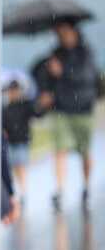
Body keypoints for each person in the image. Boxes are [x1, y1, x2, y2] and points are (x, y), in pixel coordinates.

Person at [32, 20, 99, 212]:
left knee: (84, 151)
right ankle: (60, 190)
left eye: (65, 32)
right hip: (61, 109)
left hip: (83, 109)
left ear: (74, 32)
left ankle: (86, 187)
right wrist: (46, 88)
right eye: (59, 33)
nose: (62, 36)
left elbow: (88, 77)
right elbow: (39, 72)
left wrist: (64, 71)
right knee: (59, 150)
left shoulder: (86, 53)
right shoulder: (55, 54)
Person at [1, 79, 43, 202]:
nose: (13, 93)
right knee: (11, 168)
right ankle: (16, 192)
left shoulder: (25, 105)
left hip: (22, 142)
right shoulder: (5, 108)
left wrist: (39, 103)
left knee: (21, 166)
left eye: (15, 91)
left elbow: (37, 113)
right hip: (10, 143)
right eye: (11, 91)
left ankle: (23, 191)